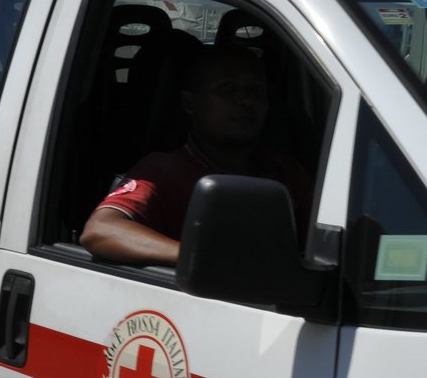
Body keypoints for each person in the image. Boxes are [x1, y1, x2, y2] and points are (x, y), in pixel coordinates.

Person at [80, 42, 311, 265]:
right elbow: (101, 230)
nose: (246, 100)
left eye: (257, 90)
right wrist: (202, 257)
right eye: (227, 88)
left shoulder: (286, 172)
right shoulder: (164, 172)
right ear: (190, 104)